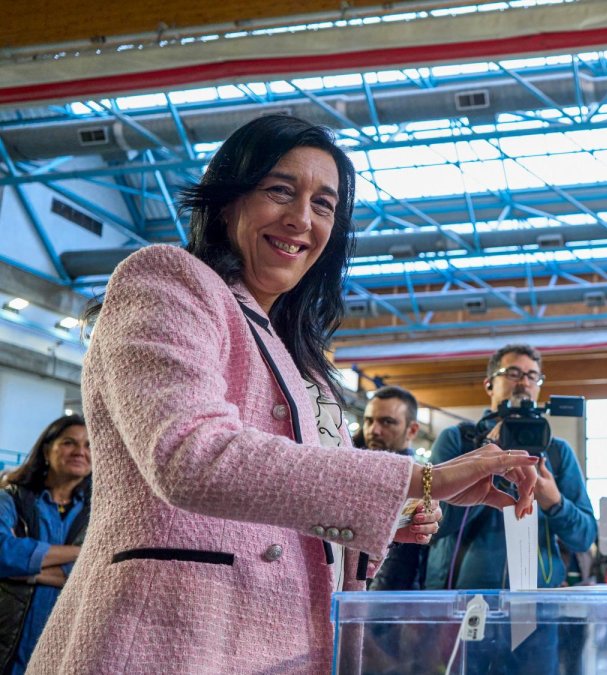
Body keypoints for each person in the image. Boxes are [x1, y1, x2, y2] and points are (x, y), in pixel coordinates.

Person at [27, 115, 540, 674]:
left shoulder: (306, 364)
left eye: (324, 204)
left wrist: (396, 513)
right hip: (171, 641)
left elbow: (298, 508)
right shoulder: (167, 280)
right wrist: (421, 478)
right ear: (226, 201)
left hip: (293, 647)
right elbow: (192, 458)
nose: (302, 218)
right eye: (280, 190)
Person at [425, 343, 597, 674]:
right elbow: (435, 525)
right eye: (513, 373)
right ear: (489, 383)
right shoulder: (459, 441)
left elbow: (584, 536)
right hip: (465, 605)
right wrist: (480, 466)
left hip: (536, 611)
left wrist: (554, 501)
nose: (523, 382)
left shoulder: (557, 454)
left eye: (533, 376)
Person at [0, 415, 90, 675]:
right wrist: (80, 553)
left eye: (88, 445)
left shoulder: (99, 515)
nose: (80, 452)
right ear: (46, 450)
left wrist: (24, 570)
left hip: (62, 653)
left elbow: (96, 573)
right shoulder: (11, 500)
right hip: (7, 645)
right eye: (69, 443)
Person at [361, 386, 431, 591]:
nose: (374, 430)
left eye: (387, 421)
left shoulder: (418, 482)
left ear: (412, 430)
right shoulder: (360, 472)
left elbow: (399, 565)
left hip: (388, 604)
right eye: (369, 420)